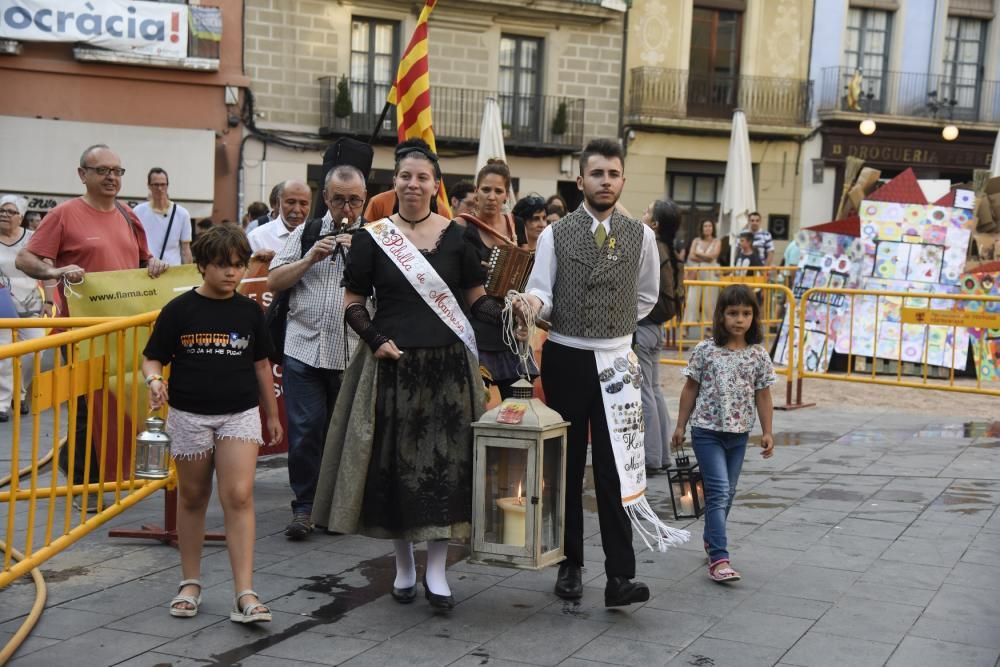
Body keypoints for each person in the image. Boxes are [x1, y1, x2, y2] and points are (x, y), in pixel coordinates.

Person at [312, 144, 494, 612]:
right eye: (405, 176)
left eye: (423, 178)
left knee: (445, 471)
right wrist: (374, 339)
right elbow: (352, 301)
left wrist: (513, 310)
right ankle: (404, 566)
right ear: (393, 183)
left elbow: (475, 302)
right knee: (394, 470)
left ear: (436, 186)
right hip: (391, 366)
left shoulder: (459, 238)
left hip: (449, 371)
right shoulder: (374, 238)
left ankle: (436, 570)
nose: (413, 184)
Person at [516, 139, 661, 608]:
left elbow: (646, 297)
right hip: (567, 357)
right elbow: (542, 290)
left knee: (617, 468)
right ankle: (571, 564)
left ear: (622, 180)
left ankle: (620, 576)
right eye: (596, 174)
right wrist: (532, 305)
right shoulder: (555, 234)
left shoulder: (642, 236)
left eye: (613, 174)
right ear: (581, 181)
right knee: (567, 465)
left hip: (617, 360)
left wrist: (613, 328)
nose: (605, 181)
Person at [142, 225, 281, 623]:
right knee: (192, 496)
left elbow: (261, 365)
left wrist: (271, 413)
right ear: (202, 266)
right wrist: (154, 381)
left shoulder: (250, 310)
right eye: (223, 265)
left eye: (238, 265)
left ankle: (245, 592)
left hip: (239, 412)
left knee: (238, 495)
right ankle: (190, 582)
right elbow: (152, 357)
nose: (232, 273)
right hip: (188, 413)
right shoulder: (179, 310)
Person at [16, 144, 169, 488]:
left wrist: (155, 265)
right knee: (87, 408)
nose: (111, 177)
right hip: (81, 331)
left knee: (117, 403)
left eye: (117, 171)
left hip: (124, 330)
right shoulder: (64, 214)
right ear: (82, 175)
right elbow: (25, 259)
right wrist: (55, 272)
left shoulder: (129, 216)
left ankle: (87, 467)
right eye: (103, 170)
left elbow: (144, 262)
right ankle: (85, 484)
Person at [267, 165, 366, 540]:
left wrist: (363, 258)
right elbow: (274, 280)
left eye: (353, 200)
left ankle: (336, 509)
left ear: (363, 200)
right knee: (306, 431)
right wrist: (309, 258)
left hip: (351, 354)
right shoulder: (306, 231)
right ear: (325, 198)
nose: (346, 208)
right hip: (303, 348)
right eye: (338, 199)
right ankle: (304, 507)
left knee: (343, 435)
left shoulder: (374, 236)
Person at [672, 284, 775, 583]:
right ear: (721, 316)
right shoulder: (706, 350)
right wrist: (680, 424)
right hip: (706, 432)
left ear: (754, 317)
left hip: (739, 434)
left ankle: (710, 537)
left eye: (746, 313)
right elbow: (690, 388)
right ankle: (719, 558)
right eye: (732, 313)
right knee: (717, 492)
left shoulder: (758, 355)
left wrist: (768, 431)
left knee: (727, 493)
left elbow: (764, 395)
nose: (739, 320)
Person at [461, 160, 537, 399]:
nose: (491, 197)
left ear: (507, 195)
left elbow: (527, 273)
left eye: (498, 191)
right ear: (476, 192)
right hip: (476, 327)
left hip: (512, 330)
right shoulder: (462, 227)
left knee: (519, 406)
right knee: (475, 404)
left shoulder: (516, 225)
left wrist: (524, 317)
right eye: (485, 189)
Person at [636, 199, 683, 476]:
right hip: (656, 327)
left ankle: (651, 456)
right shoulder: (669, 248)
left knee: (645, 393)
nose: (642, 215)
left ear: (654, 224)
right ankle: (662, 454)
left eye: (646, 212)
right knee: (654, 390)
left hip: (643, 325)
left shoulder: (650, 245)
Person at [0, 195, 49, 421]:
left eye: (10, 212)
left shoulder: (34, 239)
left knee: (32, 352)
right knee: (4, 355)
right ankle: (2, 403)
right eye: (2, 210)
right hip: (2, 305)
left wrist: (49, 301)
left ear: (21, 216)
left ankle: (19, 393)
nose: (4, 215)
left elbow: (47, 270)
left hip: (30, 303)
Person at [133, 167, 193, 266]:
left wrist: (189, 275)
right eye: (156, 185)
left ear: (167, 185)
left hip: (172, 272)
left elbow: (185, 250)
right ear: (149, 186)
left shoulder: (182, 214)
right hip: (147, 271)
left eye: (163, 184)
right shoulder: (138, 212)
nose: (160, 188)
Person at [247, 179, 311, 260]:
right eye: (291, 202)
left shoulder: (320, 237)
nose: (297, 210)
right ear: (278, 202)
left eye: (303, 204)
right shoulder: (256, 238)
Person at [683, 220, 721, 340]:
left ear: (713, 228)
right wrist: (705, 258)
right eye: (705, 226)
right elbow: (690, 256)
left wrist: (698, 254)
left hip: (711, 273)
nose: (708, 228)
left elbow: (713, 256)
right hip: (697, 273)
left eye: (710, 226)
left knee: (710, 301)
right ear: (702, 228)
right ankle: (686, 326)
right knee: (692, 299)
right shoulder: (696, 240)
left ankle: (709, 328)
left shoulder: (717, 241)